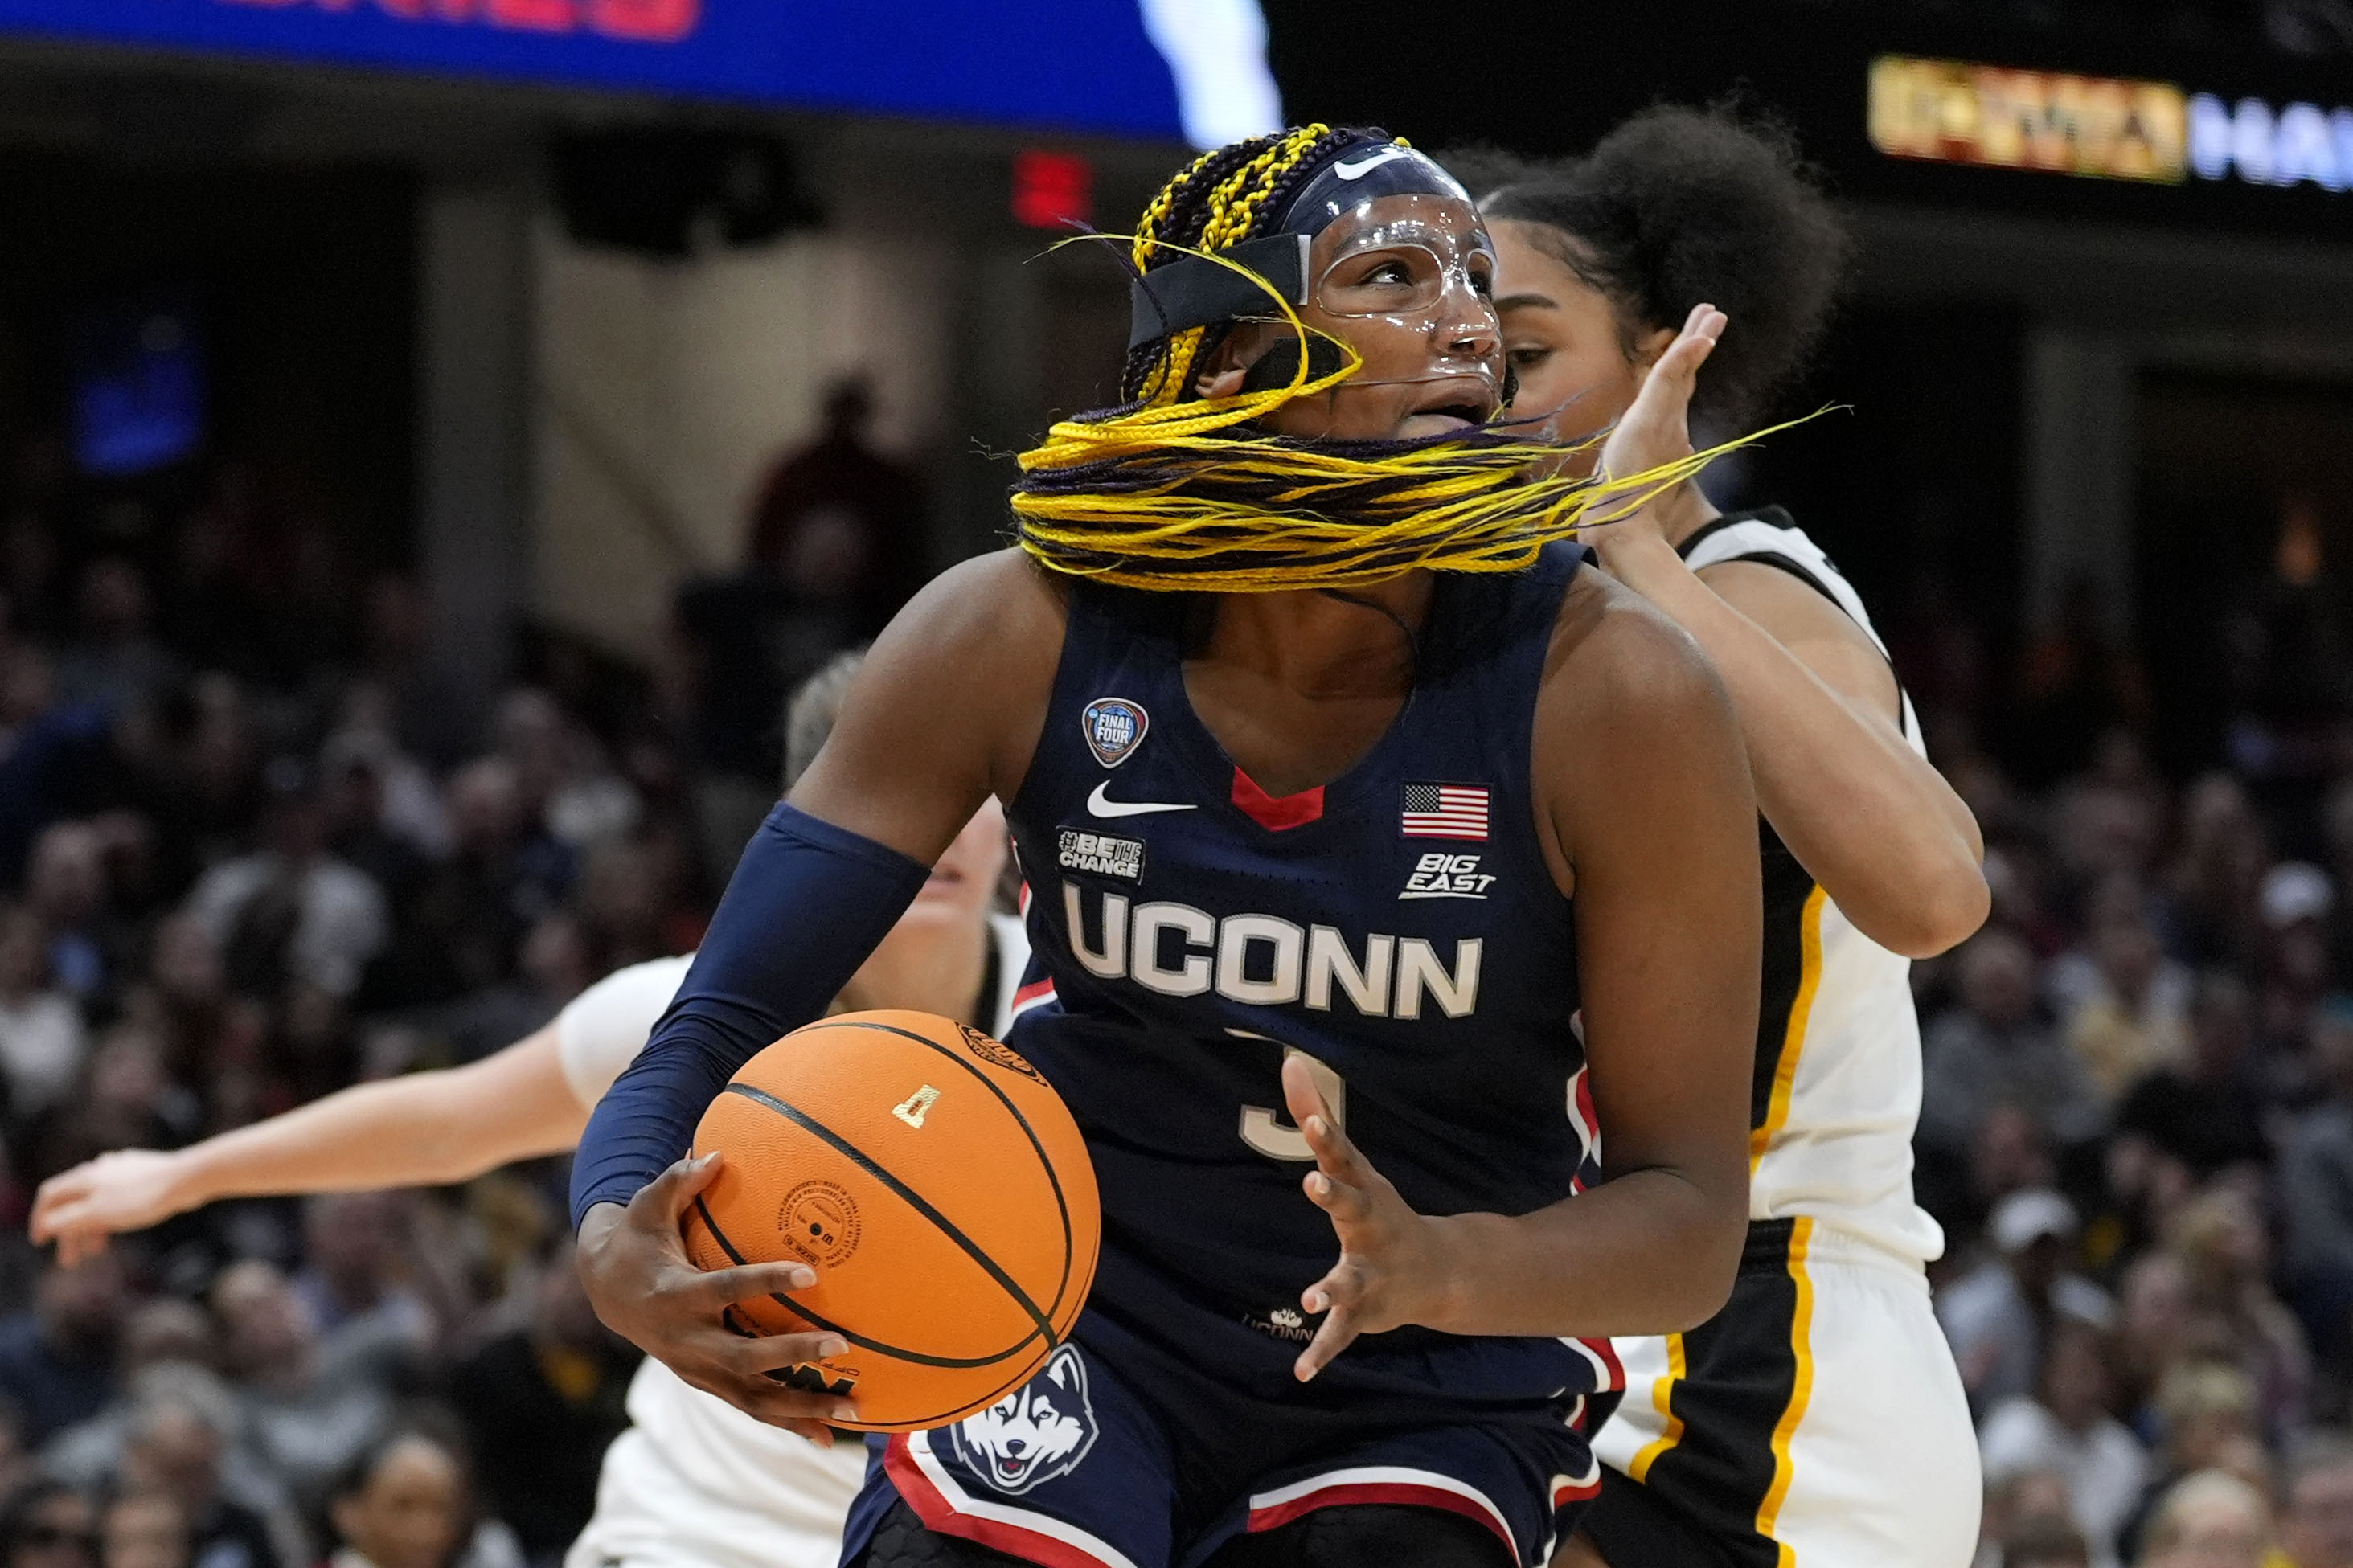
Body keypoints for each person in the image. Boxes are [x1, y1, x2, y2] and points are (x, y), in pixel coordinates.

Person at [572, 123, 1763, 1568]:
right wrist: (611, 1236)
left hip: (1422, 1372)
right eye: (1394, 275)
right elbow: (727, 1012)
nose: (1464, 323)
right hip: (1069, 1315)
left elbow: (1690, 1222)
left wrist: (1445, 1262)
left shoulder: (1616, 689)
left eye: (1473, 279)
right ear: (1230, 362)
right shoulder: (1009, 628)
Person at [33, 653, 1029, 1568]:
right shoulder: (686, 1011)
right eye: (887, 789)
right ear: (817, 826)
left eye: (959, 789)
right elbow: (445, 1122)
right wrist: (187, 1171)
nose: (931, 822)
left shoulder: (1082, 1017)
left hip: (976, 1531)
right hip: (700, 1535)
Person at [1461, 105, 1989, 1567]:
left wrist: (1633, 544)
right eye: (1453, 366)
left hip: (1768, 1355)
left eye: (1520, 358)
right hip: (1589, 1325)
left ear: (1662, 356)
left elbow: (1936, 889)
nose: (1477, 402)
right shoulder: (1508, 641)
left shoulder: (1741, 589)